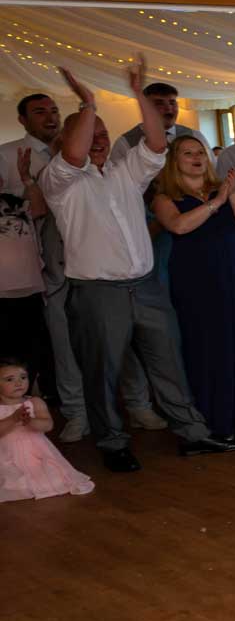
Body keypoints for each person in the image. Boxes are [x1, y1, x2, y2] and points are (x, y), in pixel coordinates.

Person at [36, 61, 235, 470]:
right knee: (103, 372)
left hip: (146, 286)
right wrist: (89, 103)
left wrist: (140, 96)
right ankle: (113, 444)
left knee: (168, 362)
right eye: (89, 133)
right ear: (66, 141)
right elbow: (75, 152)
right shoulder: (59, 180)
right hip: (97, 293)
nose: (97, 140)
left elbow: (156, 143)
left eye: (102, 134)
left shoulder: (125, 170)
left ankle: (192, 434)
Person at [6, 90, 153, 440]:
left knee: (125, 343)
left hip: (103, 274)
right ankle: (77, 413)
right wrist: (27, 183)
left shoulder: (103, 169)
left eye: (54, 110)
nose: (49, 116)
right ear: (23, 119)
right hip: (53, 272)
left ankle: (138, 404)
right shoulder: (8, 156)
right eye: (39, 111)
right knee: (65, 347)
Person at [150, 134, 235, 440]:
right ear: (174, 160)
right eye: (187, 153)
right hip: (197, 279)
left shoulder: (221, 188)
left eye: (200, 153)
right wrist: (216, 202)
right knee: (208, 345)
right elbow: (179, 226)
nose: (196, 158)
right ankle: (213, 418)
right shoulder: (165, 196)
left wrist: (229, 193)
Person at [0, 355, 93, 500]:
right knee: (12, 480)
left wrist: (30, 421)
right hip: (5, 453)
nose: (19, 383)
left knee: (51, 476)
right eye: (10, 379)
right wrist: (13, 419)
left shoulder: (34, 402)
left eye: (23, 377)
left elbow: (48, 425)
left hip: (35, 452)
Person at [0, 144, 49, 412]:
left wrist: (26, 178)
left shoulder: (15, 201)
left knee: (30, 357)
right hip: (1, 298)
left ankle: (26, 414)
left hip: (29, 295)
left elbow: (40, 209)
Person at [108, 80, 199, 166]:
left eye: (172, 102)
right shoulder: (125, 143)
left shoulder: (195, 136)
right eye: (159, 103)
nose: (168, 108)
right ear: (145, 108)